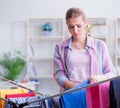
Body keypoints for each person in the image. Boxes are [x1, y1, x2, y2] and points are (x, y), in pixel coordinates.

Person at [53, 7, 117, 92]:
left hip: (96, 94)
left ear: (86, 23)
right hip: (71, 94)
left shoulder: (100, 45)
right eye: (71, 27)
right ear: (67, 25)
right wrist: (75, 88)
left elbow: (112, 74)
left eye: (79, 26)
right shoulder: (60, 47)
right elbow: (58, 74)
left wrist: (100, 78)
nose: (75, 30)